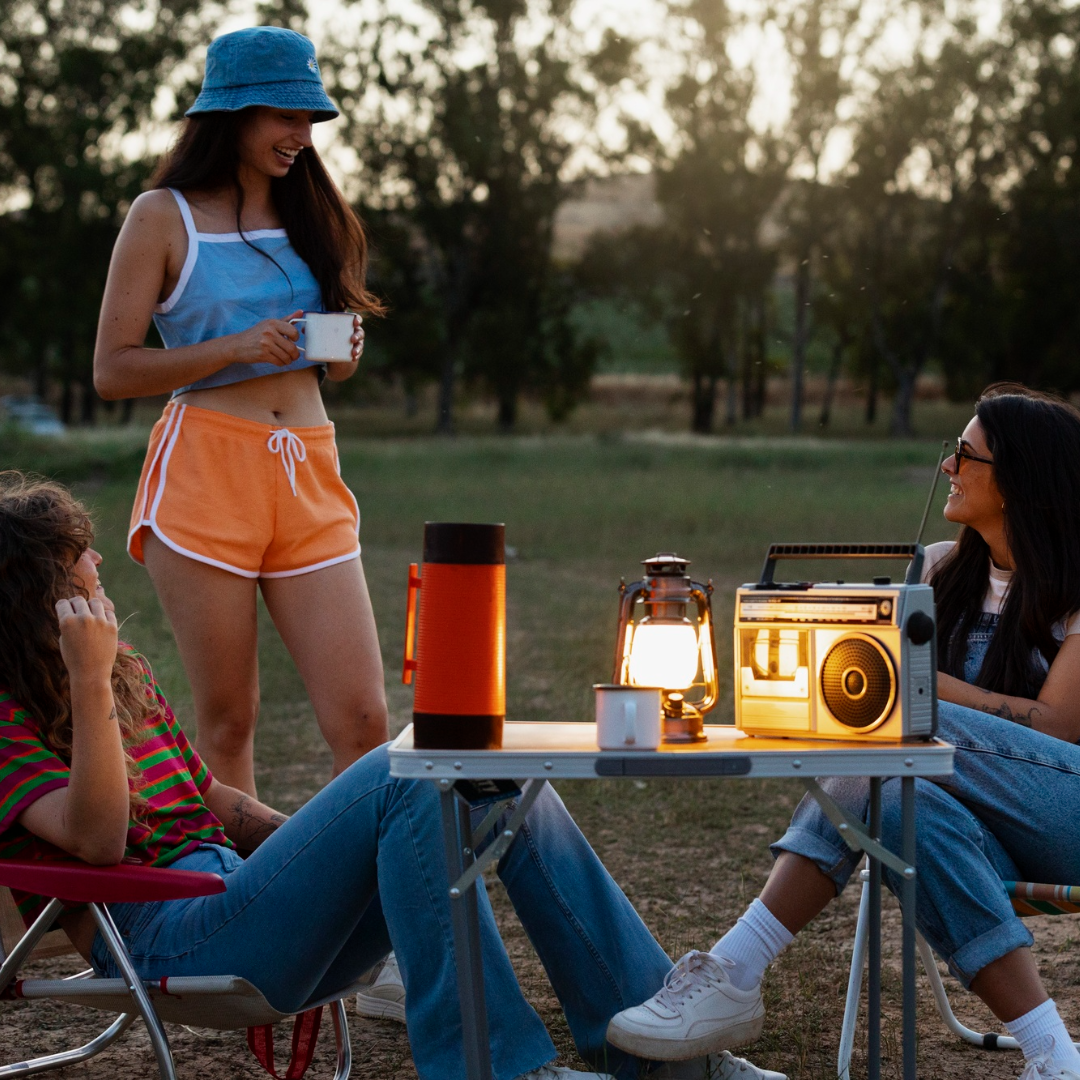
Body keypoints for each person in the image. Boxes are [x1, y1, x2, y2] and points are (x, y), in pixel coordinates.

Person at [0, 471, 784, 1080]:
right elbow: (99, 845)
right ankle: (494, 1065)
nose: (98, 563)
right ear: (37, 598)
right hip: (163, 941)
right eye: (78, 561)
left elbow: (213, 801)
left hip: (241, 903)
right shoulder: (19, 715)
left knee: (493, 784)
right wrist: (88, 682)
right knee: (411, 765)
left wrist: (304, 847)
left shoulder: (122, 672)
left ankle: (661, 1049)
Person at [607, 384, 1080, 1080]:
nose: (947, 467)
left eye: (964, 454)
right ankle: (1055, 1056)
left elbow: (1060, 728)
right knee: (895, 801)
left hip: (1065, 813)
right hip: (984, 828)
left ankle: (735, 972)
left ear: (1015, 481)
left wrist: (917, 686)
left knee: (897, 723)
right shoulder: (944, 568)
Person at [93, 26, 386, 796]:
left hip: (309, 467)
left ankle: (345, 904)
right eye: (286, 115)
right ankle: (248, 910)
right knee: (229, 722)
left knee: (363, 723)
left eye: (311, 119)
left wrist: (342, 348)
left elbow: (335, 365)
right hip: (204, 471)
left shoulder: (317, 214)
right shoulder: (162, 216)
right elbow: (112, 370)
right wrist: (235, 347)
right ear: (235, 113)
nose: (302, 134)